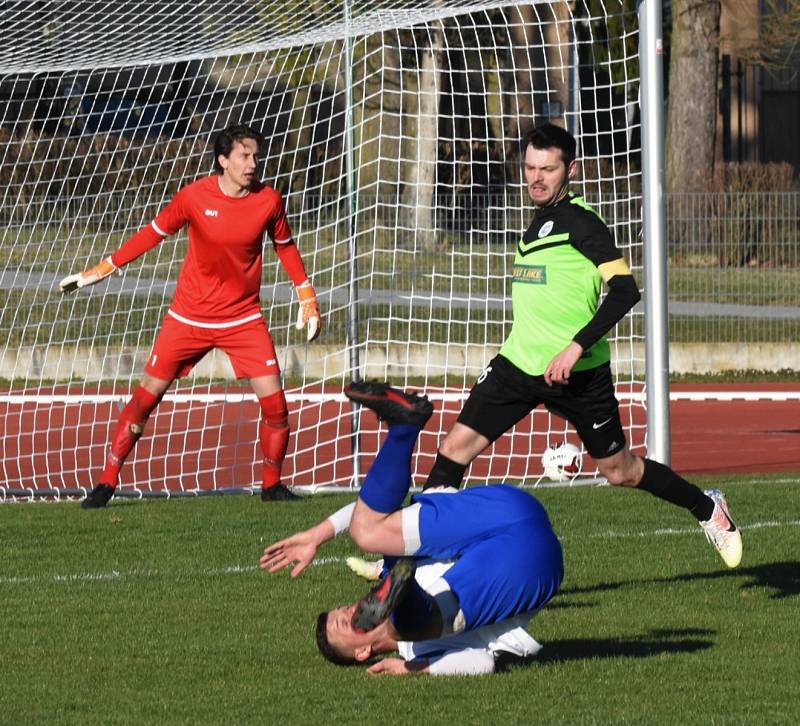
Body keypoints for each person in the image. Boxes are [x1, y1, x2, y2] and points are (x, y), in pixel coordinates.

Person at [423, 123, 742, 569]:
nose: (536, 177)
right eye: (530, 167)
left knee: (621, 471)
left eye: (547, 169)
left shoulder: (582, 223)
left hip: (580, 374)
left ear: (570, 170)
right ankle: (413, 564)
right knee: (453, 451)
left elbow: (626, 290)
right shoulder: (534, 224)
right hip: (518, 364)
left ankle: (708, 509)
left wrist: (574, 348)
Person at [60, 124, 321, 507]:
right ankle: (106, 483)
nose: (252, 164)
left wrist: (306, 294)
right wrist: (102, 269)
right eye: (244, 156)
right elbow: (153, 233)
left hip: (243, 319)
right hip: (188, 319)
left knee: (276, 406)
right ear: (223, 161)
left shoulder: (268, 200)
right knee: (146, 400)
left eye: (255, 156)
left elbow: (285, 246)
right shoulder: (194, 197)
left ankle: (271, 486)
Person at [260, 381, 563, 675]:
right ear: (362, 653)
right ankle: (404, 429)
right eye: (345, 623)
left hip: (500, 518)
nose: (351, 610)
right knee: (410, 621)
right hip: (528, 559)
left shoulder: (392, 568)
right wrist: (410, 666)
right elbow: (482, 663)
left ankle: (405, 426)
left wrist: (317, 535)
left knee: (368, 533)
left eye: (344, 609)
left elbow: (367, 514)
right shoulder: (414, 651)